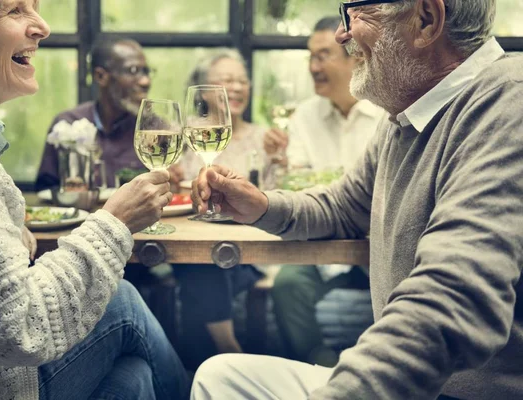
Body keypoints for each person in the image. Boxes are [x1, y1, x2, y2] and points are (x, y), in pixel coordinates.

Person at [190, 0, 523, 399]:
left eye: (358, 11)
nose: (341, 33)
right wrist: (261, 205)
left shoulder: (507, 103)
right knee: (222, 374)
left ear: (426, 19)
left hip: (455, 391)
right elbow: (344, 206)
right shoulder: (409, 113)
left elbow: (453, 297)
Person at [0, 1, 189, 399]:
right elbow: (16, 330)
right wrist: (113, 223)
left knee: (133, 378)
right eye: (16, 10)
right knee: (124, 305)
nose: (43, 27)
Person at [263, 16, 385, 367]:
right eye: (310, 57)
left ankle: (375, 372)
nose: (313, 67)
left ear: (353, 57)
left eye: (323, 56)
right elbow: (296, 183)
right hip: (323, 238)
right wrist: (278, 162)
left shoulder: (385, 112)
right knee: (288, 284)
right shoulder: (303, 116)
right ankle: (320, 366)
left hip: (374, 243)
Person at [172, 49, 272, 370]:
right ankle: (231, 357)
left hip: (249, 248)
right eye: (227, 80)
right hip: (193, 240)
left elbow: (275, 197)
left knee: (202, 263)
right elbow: (174, 189)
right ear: (205, 89)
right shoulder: (187, 135)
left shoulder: (264, 138)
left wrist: (280, 162)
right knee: (202, 256)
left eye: (242, 80)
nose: (239, 87)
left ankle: (207, 364)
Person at [35, 38, 172, 190]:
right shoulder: (67, 124)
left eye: (146, 72)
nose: (145, 81)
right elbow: (45, 191)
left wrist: (172, 180)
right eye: (133, 71)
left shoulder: (156, 130)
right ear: (101, 76)